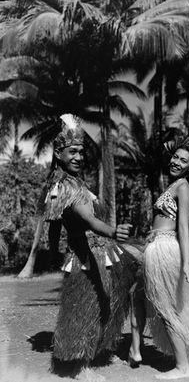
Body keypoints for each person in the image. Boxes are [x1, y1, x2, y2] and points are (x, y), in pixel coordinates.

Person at [37, 114, 138, 372]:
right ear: (58, 154)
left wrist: (52, 251)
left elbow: (54, 223)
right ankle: (78, 365)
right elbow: (90, 220)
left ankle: (96, 352)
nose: (79, 157)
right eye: (73, 152)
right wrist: (114, 231)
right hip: (86, 255)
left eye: (81, 152)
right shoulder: (68, 187)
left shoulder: (61, 184)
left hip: (97, 252)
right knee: (86, 308)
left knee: (109, 302)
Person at [128, 135, 189, 380]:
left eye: (183, 160)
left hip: (166, 248)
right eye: (175, 157)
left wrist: (186, 262)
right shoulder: (171, 186)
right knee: (137, 294)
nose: (177, 162)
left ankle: (183, 367)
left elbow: (183, 226)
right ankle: (135, 348)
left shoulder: (183, 187)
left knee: (167, 308)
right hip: (156, 245)